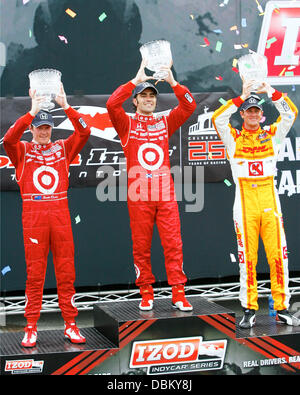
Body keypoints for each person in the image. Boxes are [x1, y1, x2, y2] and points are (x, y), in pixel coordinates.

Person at [3, 84, 91, 346]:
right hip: (34, 218)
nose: (43, 132)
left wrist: (66, 106)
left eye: (47, 128)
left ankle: (71, 325)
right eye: (39, 127)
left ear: (52, 130)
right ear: (31, 130)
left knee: (66, 272)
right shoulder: (21, 151)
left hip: (61, 216)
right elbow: (8, 139)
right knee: (35, 274)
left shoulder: (63, 149)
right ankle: (31, 327)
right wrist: (31, 112)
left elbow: (85, 131)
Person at [106, 60, 196, 311]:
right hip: (139, 193)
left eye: (151, 95)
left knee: (173, 243)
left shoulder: (164, 121)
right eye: (142, 96)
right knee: (141, 245)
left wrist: (173, 83)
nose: (148, 99)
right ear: (134, 100)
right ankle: (146, 292)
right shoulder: (126, 123)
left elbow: (189, 105)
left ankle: (178, 293)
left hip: (165, 191)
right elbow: (111, 104)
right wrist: (133, 82)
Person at [212, 79, 299, 328]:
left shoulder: (273, 134)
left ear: (261, 115)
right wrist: (241, 97)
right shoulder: (233, 138)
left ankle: (281, 307)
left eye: (256, 111)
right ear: (242, 114)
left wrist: (269, 91)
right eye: (248, 111)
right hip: (244, 201)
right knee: (247, 258)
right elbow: (217, 118)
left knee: (278, 257)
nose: (252, 114)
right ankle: (249, 309)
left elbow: (290, 112)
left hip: (270, 198)